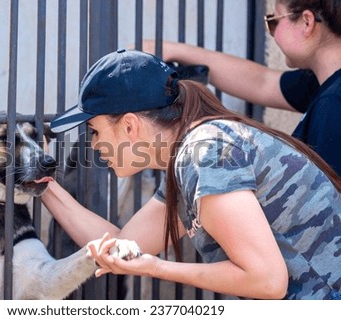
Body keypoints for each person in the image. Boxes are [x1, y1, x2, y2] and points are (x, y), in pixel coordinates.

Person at [43, 48, 341, 299]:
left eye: (94, 131)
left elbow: (267, 280)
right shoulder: (192, 154)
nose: (93, 144)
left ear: (130, 126)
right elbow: (123, 244)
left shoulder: (204, 153)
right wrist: (42, 185)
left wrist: (155, 268)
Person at [141, 0, 341, 176]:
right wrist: (173, 50)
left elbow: (329, 204)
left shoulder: (332, 103)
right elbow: (262, 82)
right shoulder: (323, 83)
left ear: (307, 22)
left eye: (273, 21)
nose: (272, 34)